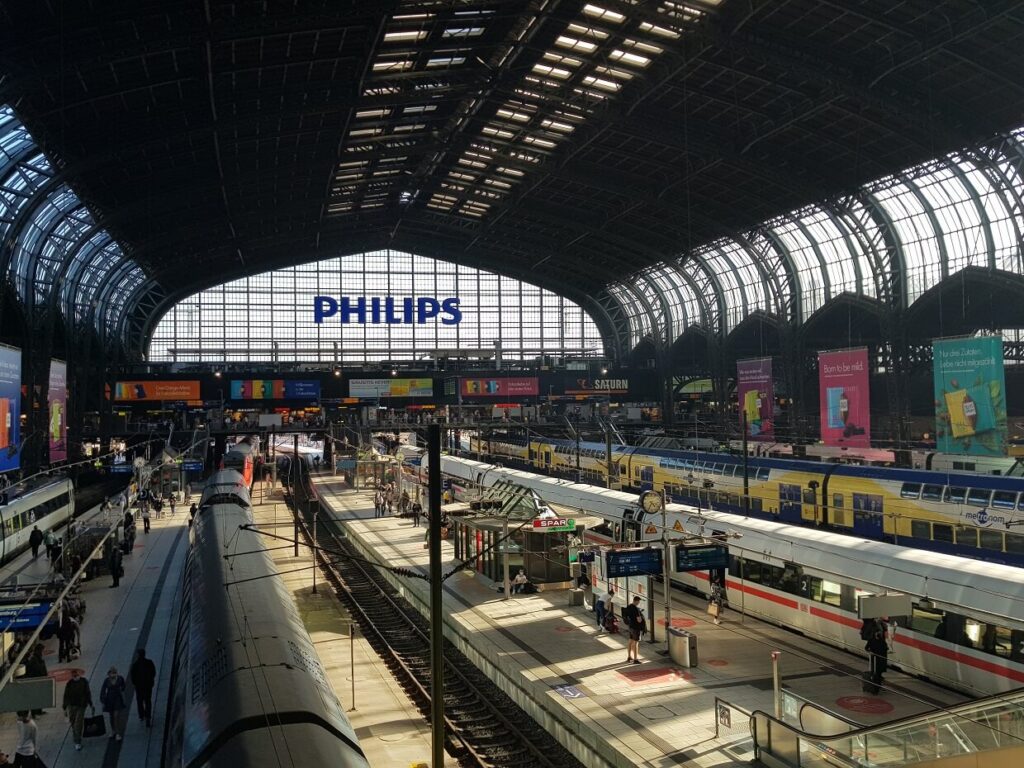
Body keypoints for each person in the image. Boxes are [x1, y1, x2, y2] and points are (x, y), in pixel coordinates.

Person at [63, 668, 93, 751]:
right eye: (73, 675)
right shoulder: (69, 683)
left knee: (78, 723)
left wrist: (90, 703)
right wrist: (65, 707)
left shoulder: (83, 682)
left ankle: (77, 741)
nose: (75, 676)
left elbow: (87, 692)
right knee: (73, 722)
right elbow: (66, 695)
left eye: (76, 675)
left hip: (81, 705)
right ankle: (76, 736)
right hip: (71, 706)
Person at [129, 648, 156, 726]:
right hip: (148, 686)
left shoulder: (135, 665)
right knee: (148, 700)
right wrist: (151, 681)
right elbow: (153, 672)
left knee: (140, 701)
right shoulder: (149, 663)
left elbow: (132, 676)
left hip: (139, 687)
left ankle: (141, 715)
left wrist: (135, 683)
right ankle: (148, 716)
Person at [100, 666, 128, 741]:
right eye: (112, 673)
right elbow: (103, 690)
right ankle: (113, 730)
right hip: (109, 700)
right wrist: (103, 701)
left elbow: (123, 686)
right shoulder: (107, 681)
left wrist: (121, 691)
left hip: (117, 699)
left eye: (114, 673)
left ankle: (118, 733)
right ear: (109, 674)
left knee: (116, 716)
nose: (113, 674)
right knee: (111, 716)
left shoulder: (120, 678)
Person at [24, 645, 47, 716]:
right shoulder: (34, 659)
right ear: (39, 651)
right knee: (35, 697)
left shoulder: (38, 658)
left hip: (38, 680)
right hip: (35, 680)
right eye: (42, 651)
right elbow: (37, 669)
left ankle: (39, 711)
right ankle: (35, 712)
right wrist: (42, 663)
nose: (43, 652)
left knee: (39, 696)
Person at [622, 596, 646, 664]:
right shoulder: (636, 609)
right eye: (638, 602)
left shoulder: (629, 606)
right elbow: (639, 620)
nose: (638, 603)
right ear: (636, 601)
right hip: (636, 628)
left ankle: (629, 657)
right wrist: (641, 617)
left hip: (630, 627)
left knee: (630, 641)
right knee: (636, 643)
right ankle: (635, 659)